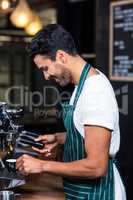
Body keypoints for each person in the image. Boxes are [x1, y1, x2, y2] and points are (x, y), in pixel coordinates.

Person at [16, 24, 126, 200]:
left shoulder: (95, 92)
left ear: (61, 56)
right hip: (83, 192)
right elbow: (88, 133)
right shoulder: (82, 86)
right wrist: (59, 139)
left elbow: (97, 166)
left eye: (45, 68)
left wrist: (42, 166)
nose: (46, 77)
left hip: (99, 194)